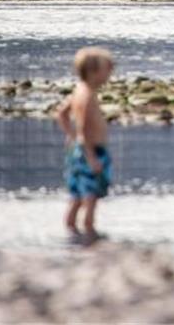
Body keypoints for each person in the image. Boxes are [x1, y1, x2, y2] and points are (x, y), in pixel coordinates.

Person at [55, 46, 115, 244]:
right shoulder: (87, 96)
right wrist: (91, 156)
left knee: (77, 197)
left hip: (80, 151)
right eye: (108, 69)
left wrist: (72, 137)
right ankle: (90, 233)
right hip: (92, 151)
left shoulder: (79, 90)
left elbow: (61, 115)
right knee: (90, 197)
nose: (111, 73)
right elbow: (83, 129)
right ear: (94, 71)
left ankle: (71, 234)